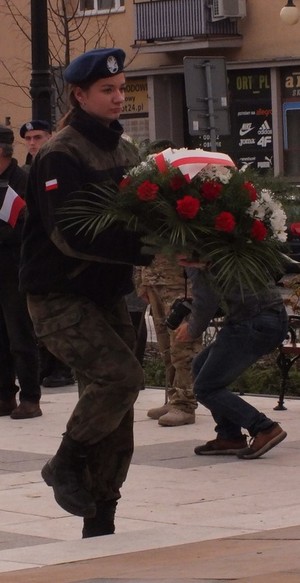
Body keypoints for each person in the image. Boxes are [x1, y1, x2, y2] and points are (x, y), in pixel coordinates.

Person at [19, 47, 153, 537]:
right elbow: (71, 234)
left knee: (117, 411)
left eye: (121, 89)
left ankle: (101, 516)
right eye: (107, 91)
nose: (119, 98)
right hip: (59, 295)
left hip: (106, 294)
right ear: (80, 95)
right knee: (120, 380)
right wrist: (148, 249)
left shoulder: (124, 151)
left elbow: (143, 215)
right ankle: (64, 463)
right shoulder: (61, 152)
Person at [175, 257, 288, 459]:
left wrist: (192, 329)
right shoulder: (226, 244)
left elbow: (207, 299)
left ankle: (264, 427)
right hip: (271, 316)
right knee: (201, 366)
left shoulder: (195, 254)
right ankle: (230, 436)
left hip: (251, 323)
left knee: (206, 387)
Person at [137, 140, 202, 427]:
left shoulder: (184, 197)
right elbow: (140, 242)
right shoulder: (148, 199)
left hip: (179, 280)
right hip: (154, 279)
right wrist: (141, 279)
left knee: (183, 345)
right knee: (165, 346)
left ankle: (186, 403)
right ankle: (171, 396)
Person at [20, 119, 75, 388]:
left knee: (59, 314)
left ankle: (63, 367)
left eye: (37, 137)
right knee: (38, 318)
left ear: (50, 137)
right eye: (28, 138)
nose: (32, 143)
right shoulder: (24, 172)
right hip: (32, 251)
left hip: (57, 252)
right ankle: (46, 365)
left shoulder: (55, 165)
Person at [0, 124, 41, 419]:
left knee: (19, 335)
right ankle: (4, 396)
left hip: (15, 269)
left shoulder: (22, 181)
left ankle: (30, 397)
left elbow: (28, 228)